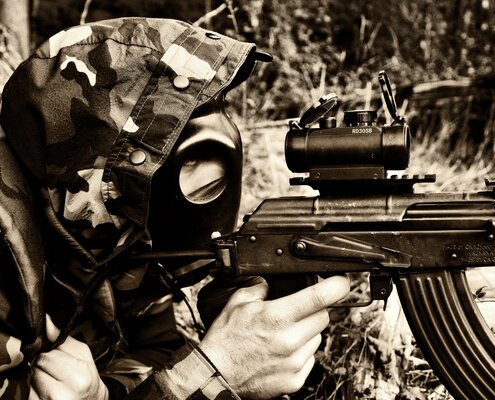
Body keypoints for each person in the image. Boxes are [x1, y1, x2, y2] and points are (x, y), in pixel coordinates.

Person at [0, 17, 350, 399]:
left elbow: (157, 348)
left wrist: (107, 393)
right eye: (170, 140)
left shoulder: (122, 231)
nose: (215, 152)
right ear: (108, 170)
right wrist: (213, 375)